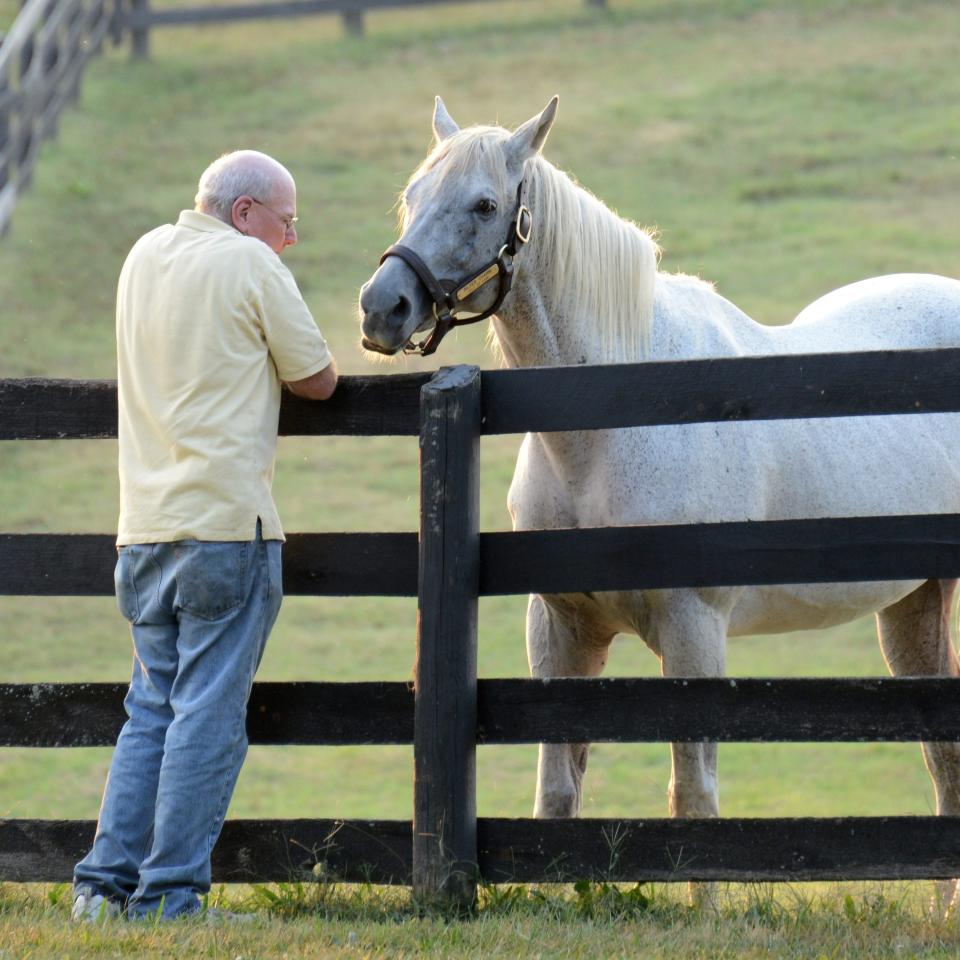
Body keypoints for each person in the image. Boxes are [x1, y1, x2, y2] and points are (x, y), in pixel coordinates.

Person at [72, 150, 337, 922]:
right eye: (286, 224)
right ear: (245, 211)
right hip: (226, 526)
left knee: (150, 710)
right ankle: (169, 897)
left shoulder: (143, 255)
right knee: (206, 718)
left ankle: (100, 889)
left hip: (142, 529)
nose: (290, 240)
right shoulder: (250, 267)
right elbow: (317, 377)